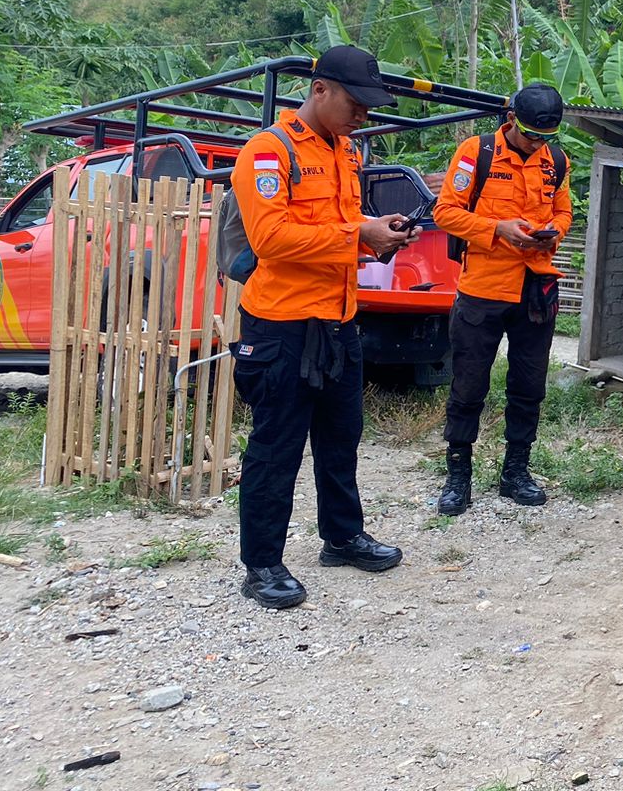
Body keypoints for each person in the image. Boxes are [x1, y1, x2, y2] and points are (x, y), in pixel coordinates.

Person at [229, 45, 413, 610]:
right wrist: (358, 235)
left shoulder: (346, 151)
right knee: (276, 447)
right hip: (282, 326)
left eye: (369, 107)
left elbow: (339, 224)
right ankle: (262, 564)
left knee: (340, 439)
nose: (363, 115)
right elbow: (271, 239)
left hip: (339, 321)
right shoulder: (269, 150)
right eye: (356, 104)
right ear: (320, 90)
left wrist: (376, 230)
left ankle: (342, 537)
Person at [433, 83, 573, 514]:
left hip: (536, 288)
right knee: (468, 385)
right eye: (531, 135)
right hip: (483, 289)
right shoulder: (477, 153)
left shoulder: (556, 161)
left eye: (546, 137)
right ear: (512, 119)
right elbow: (445, 212)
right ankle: (458, 475)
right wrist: (497, 229)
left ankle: (516, 471)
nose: (537, 144)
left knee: (529, 385)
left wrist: (553, 233)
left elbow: (564, 211)